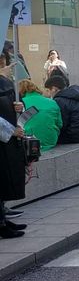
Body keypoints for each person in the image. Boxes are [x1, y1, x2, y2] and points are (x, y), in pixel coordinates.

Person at [0, 49, 27, 239]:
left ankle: (2, 219)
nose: (6, 68)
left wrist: (18, 106)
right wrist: (10, 130)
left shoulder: (4, 82)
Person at [43, 76, 79, 144]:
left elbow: (61, 124)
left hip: (74, 136)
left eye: (48, 91)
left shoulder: (59, 100)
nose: (48, 94)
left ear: (54, 89)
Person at [18, 79, 62, 151]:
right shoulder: (52, 102)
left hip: (29, 143)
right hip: (50, 141)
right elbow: (60, 124)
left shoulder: (20, 104)